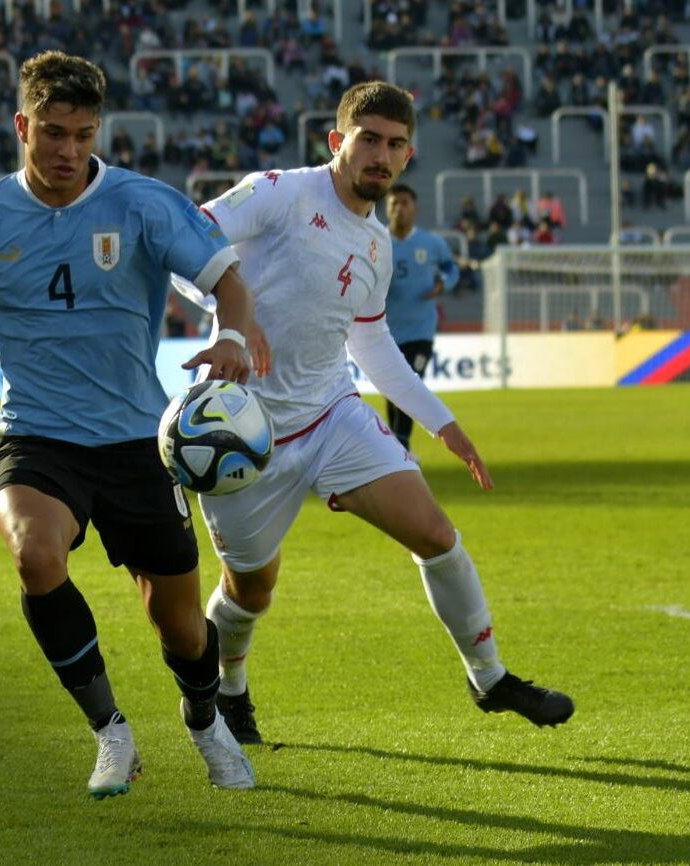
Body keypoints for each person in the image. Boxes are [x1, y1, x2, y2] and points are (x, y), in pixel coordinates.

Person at [0, 51, 271, 799]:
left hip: (138, 441)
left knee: (182, 630)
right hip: (33, 435)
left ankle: (204, 722)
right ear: (21, 125)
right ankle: (111, 733)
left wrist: (231, 336)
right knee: (36, 557)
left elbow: (227, 280)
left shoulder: (143, 204)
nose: (69, 150)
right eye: (55, 133)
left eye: (84, 134)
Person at [185, 82, 574, 746]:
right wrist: (229, 324)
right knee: (250, 592)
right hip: (243, 433)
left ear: (407, 155)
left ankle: (489, 677)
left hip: (333, 413)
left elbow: (369, 341)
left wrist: (439, 421)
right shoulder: (281, 192)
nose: (381, 155)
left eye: (395, 145)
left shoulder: (376, 244)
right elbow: (183, 238)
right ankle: (230, 689)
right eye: (368, 139)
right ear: (338, 141)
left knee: (436, 534)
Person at [383, 184, 459, 452]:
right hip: (387, 331)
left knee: (411, 382)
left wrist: (444, 284)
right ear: (386, 209)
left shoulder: (431, 243)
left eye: (404, 203)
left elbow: (451, 269)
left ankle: (401, 444)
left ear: (415, 208)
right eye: (393, 204)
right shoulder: (377, 241)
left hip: (421, 329)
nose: (399, 208)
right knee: (394, 388)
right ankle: (397, 442)